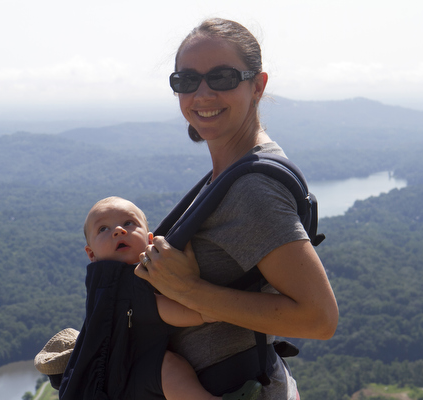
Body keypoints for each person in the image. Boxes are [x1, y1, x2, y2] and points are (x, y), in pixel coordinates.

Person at [134, 18, 339, 400]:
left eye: (223, 77)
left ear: (257, 86)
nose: (202, 93)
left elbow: (319, 318)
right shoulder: (230, 173)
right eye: (187, 80)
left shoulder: (251, 189)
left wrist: (189, 291)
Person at [82, 196, 263, 400]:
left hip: (115, 377)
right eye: (103, 229)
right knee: (169, 366)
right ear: (91, 254)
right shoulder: (127, 282)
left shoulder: (99, 285)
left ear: (149, 240)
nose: (118, 230)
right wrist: (207, 312)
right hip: (128, 377)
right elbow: (162, 310)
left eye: (128, 223)